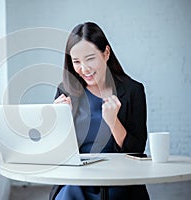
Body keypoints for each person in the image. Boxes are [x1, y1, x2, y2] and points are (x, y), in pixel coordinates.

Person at [49, 22, 150, 200]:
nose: (84, 68)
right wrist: (59, 122)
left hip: (120, 180)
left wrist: (113, 122)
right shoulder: (65, 91)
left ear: (106, 53)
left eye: (90, 58)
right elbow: (55, 152)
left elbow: (137, 151)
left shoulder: (133, 90)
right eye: (76, 62)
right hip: (77, 181)